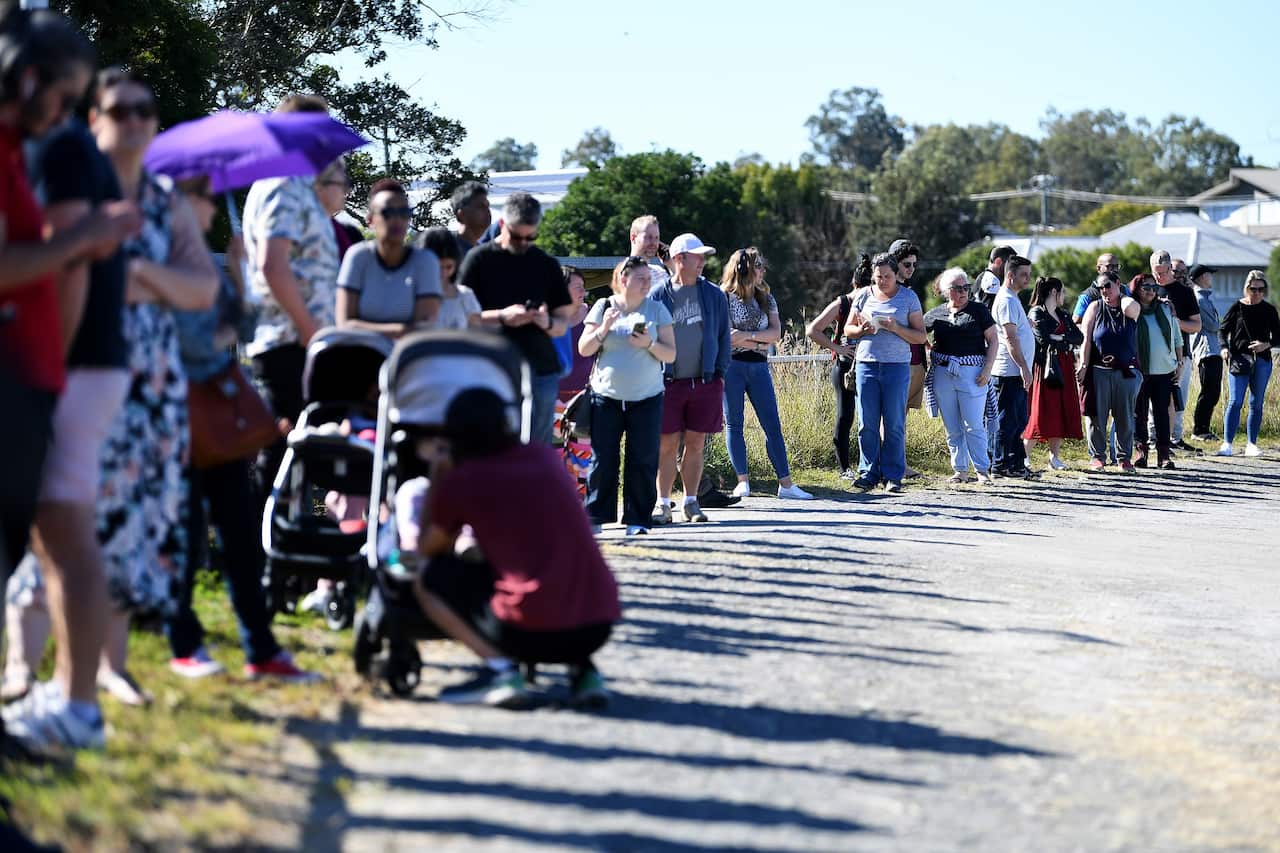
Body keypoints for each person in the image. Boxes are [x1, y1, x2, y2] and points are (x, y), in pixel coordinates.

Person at [0, 11, 139, 754]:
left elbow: (72, 265)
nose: (62, 108)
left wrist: (48, 377)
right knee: (62, 536)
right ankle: (71, 696)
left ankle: (77, 702)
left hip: (71, 365)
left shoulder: (53, 146)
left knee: (65, 534)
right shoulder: (55, 142)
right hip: (78, 364)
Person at [90, 69, 218, 703]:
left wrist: (141, 271)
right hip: (81, 368)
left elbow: (202, 288)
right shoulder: (73, 187)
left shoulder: (166, 198)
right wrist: (148, 281)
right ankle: (24, 666)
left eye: (147, 110)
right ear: (94, 118)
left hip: (154, 383)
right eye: (122, 109)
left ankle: (111, 665)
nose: (136, 120)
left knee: (135, 518)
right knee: (63, 513)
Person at [166, 175, 319, 683]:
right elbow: (188, 342)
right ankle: (183, 642)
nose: (213, 206)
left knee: (238, 533)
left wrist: (237, 275)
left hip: (218, 416)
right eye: (204, 197)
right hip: (176, 417)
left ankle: (261, 648)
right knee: (186, 534)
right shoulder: (152, 260)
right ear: (182, 204)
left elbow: (240, 333)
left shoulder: (203, 264)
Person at [410, 388, 622, 708]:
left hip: (529, 632)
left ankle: (501, 671)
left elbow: (426, 548)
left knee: (428, 577)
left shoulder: (465, 479)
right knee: (551, 569)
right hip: (597, 625)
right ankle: (584, 673)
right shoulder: (542, 457)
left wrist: (439, 476)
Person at [242, 93, 340, 516]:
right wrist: (307, 327)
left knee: (307, 449)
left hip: (303, 340)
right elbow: (271, 263)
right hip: (289, 341)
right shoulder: (282, 183)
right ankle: (263, 554)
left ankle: (297, 543)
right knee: (284, 450)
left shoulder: (299, 185)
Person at [459, 191, 575, 445]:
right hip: (491, 365)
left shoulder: (546, 264)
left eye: (530, 237)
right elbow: (461, 316)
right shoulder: (479, 259)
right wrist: (502, 316)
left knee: (538, 450)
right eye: (516, 236)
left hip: (540, 367)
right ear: (502, 225)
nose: (523, 243)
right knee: (493, 444)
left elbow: (562, 322)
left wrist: (546, 322)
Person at [577, 257, 675, 534]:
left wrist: (650, 344)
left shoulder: (657, 310)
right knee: (603, 458)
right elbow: (584, 348)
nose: (647, 283)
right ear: (623, 279)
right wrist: (604, 328)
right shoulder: (603, 306)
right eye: (641, 278)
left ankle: (637, 519)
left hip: (647, 396)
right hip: (605, 395)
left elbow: (671, 353)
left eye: (648, 279)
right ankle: (596, 516)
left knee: (642, 458)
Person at [649, 232, 731, 522]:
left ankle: (691, 502)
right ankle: (663, 504)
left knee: (696, 444)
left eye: (703, 257)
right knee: (666, 445)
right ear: (679, 259)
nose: (702, 262)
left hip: (705, 382)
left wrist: (719, 372)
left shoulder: (714, 294)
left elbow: (723, 337)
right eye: (698, 257)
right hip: (667, 383)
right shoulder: (658, 295)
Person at [721, 247, 812, 500]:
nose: (762, 270)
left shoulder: (766, 298)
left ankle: (786, 484)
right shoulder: (724, 297)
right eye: (758, 265)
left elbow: (776, 334)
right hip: (732, 367)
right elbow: (726, 338)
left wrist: (749, 339)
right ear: (743, 268)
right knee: (734, 423)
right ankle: (742, 481)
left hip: (759, 367)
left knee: (772, 424)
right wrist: (759, 342)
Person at [842, 252, 926, 493]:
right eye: (878, 277)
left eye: (887, 276)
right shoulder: (863, 296)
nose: (882, 281)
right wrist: (862, 330)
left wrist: (897, 327)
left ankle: (892, 475)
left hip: (897, 367)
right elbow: (848, 328)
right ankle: (868, 472)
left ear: (895, 274)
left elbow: (920, 336)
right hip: (867, 364)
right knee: (866, 422)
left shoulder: (908, 297)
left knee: (894, 423)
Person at [335, 178, 441, 337]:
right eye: (388, 213)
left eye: (404, 213)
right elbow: (344, 324)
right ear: (370, 220)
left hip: (409, 358)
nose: (397, 220)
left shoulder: (426, 261)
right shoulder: (357, 256)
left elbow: (423, 330)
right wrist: (401, 330)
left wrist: (370, 330)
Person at [923, 268, 997, 484]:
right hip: (944, 373)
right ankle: (960, 470)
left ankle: (982, 470)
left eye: (966, 287)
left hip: (973, 372)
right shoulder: (936, 313)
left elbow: (993, 339)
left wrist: (987, 369)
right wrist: (930, 350)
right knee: (952, 427)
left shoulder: (979, 310)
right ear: (947, 291)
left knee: (974, 424)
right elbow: (919, 333)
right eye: (958, 288)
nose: (963, 291)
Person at [806, 254, 871, 480]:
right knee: (846, 416)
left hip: (867, 363)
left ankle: (863, 465)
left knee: (857, 416)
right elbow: (813, 329)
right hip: (846, 366)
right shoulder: (843, 303)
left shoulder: (872, 301)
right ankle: (845, 467)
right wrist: (838, 348)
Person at [1077, 274, 1142, 472]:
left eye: (1108, 286)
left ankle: (1124, 458)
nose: (1104, 290)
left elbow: (1133, 308)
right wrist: (1083, 364)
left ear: (1117, 284)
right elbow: (1086, 338)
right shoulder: (1095, 307)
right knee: (1097, 417)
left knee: (1125, 417)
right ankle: (1097, 457)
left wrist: (1121, 296)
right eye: (1100, 287)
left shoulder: (1128, 306)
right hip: (1099, 370)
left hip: (1125, 371)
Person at [1216, 270, 1280, 458]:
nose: (1257, 293)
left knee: (1256, 403)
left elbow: (1278, 336)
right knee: (1235, 401)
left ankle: (1252, 444)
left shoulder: (1269, 310)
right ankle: (1227, 443)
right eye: (1254, 289)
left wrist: (1265, 344)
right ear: (1247, 288)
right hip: (1238, 359)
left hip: (1262, 360)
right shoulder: (1237, 307)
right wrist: (1223, 348)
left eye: (1261, 289)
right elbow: (1222, 330)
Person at [1023, 276, 1083, 470]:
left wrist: (1061, 336)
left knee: (1060, 410)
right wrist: (1061, 339)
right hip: (1045, 367)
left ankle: (1054, 458)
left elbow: (1078, 337)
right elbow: (1043, 339)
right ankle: (1024, 456)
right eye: (1062, 292)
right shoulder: (1037, 313)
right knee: (1040, 411)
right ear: (1054, 292)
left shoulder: (1063, 314)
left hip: (1063, 366)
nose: (1064, 295)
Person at [990, 255, 1036, 479]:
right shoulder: (1007, 300)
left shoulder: (1013, 299)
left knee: (1018, 420)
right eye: (1023, 275)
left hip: (1015, 371)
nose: (1028, 279)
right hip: (1009, 372)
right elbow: (1010, 338)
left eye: (1029, 274)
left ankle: (1016, 464)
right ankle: (1000, 465)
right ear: (1010, 275)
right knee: (1007, 421)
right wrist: (1024, 368)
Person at [1131, 273, 1183, 469]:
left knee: (1162, 413)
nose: (1151, 291)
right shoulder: (1131, 310)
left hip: (1164, 371)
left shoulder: (1165, 308)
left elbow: (1177, 338)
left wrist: (1180, 363)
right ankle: (1141, 452)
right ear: (1137, 289)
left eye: (1154, 288)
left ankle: (1163, 455)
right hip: (1140, 371)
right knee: (1139, 414)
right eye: (1146, 287)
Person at [1150, 250, 1200, 453]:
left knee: (1176, 398)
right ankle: (1153, 438)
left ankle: (1173, 438)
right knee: (1152, 399)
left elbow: (1196, 325)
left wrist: (1175, 322)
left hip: (1179, 353)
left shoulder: (1184, 292)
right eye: (1155, 272)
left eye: (1163, 272)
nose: (1159, 277)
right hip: (1152, 353)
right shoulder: (1148, 289)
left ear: (1171, 268)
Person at [889, 241, 927, 474]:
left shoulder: (909, 293)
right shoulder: (887, 292)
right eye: (906, 264)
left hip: (914, 359)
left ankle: (899, 462)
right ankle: (894, 464)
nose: (911, 269)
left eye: (914, 264)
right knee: (892, 418)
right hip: (895, 361)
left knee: (901, 418)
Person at [418, 226, 480, 330]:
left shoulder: (465, 296)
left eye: (449, 267)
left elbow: (475, 335)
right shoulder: (410, 295)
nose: (443, 273)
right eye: (437, 267)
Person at [1188, 264, 1223, 442]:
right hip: (1206, 349)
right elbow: (1214, 325)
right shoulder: (1199, 299)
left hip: (1212, 349)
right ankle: (1199, 429)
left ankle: (1204, 428)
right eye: (1209, 274)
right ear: (1202, 277)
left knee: (1213, 391)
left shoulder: (1204, 297)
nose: (1211, 277)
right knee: (1209, 391)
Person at [1072, 253, 1125, 325]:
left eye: (1116, 266)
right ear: (1098, 268)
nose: (1115, 270)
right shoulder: (1088, 295)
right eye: (1110, 266)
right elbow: (1076, 322)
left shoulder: (1125, 289)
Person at [628, 214, 671, 294]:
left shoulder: (660, 272)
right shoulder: (625, 272)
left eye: (656, 238)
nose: (654, 243)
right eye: (649, 237)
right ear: (633, 238)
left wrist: (671, 265)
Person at [450, 180, 491, 257]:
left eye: (487, 206)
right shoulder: (449, 250)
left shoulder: (485, 251)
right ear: (461, 215)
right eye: (481, 206)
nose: (487, 211)